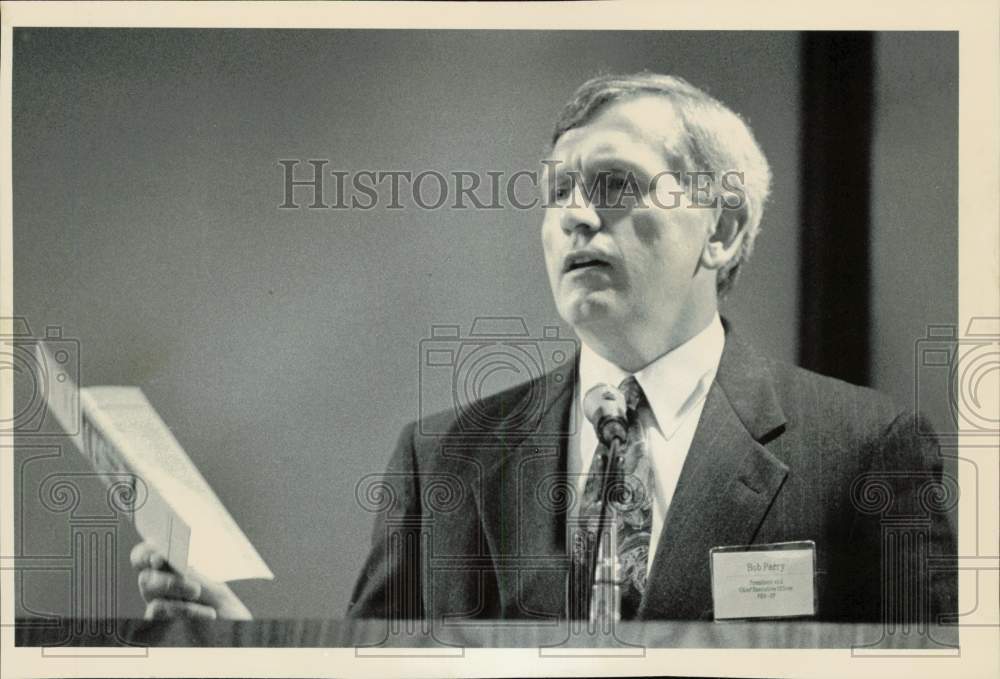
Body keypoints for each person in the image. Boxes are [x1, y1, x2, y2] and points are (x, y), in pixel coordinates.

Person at [131, 72, 956, 623]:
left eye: (614, 184)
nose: (574, 215)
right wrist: (244, 648)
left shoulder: (865, 452)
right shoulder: (442, 458)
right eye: (558, 190)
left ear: (723, 227)